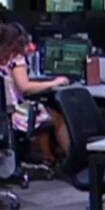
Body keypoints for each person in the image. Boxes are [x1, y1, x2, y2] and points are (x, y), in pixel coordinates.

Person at [0, 24, 70, 165]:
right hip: (15, 114)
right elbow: (25, 87)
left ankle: (47, 157)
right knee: (57, 117)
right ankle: (71, 160)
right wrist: (54, 82)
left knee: (42, 114)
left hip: (4, 113)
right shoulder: (16, 59)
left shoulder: (3, 58)